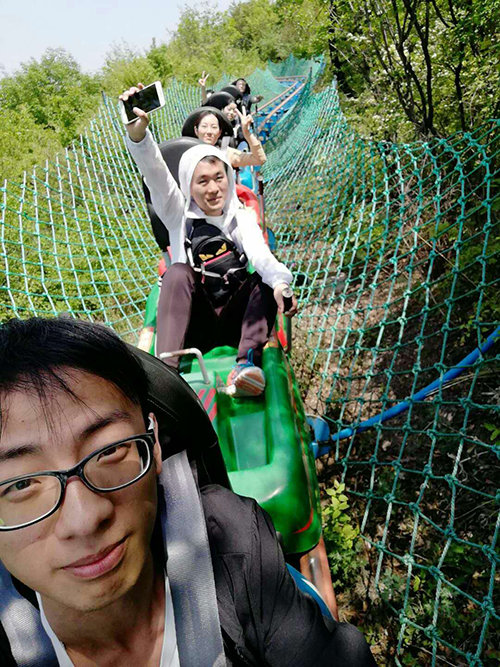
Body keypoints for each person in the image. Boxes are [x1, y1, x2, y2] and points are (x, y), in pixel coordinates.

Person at [0, 317, 378, 666]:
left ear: (154, 445)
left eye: (109, 451)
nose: (84, 520)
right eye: (20, 484)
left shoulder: (231, 538)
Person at [121, 84, 286, 397]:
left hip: (235, 319)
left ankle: (246, 365)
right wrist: (139, 135)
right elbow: (154, 171)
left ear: (228, 178)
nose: (213, 189)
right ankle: (166, 375)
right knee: (176, 273)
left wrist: (279, 283)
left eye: (219, 178)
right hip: (197, 321)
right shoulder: (177, 213)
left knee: (265, 279)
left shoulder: (239, 216)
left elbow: (260, 255)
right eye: (203, 182)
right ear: (188, 185)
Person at [187, 106, 266, 169]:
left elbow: (260, 159)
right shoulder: (188, 155)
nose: (209, 132)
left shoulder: (226, 153)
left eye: (214, 127)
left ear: (219, 132)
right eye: (204, 126)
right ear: (196, 130)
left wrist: (247, 133)